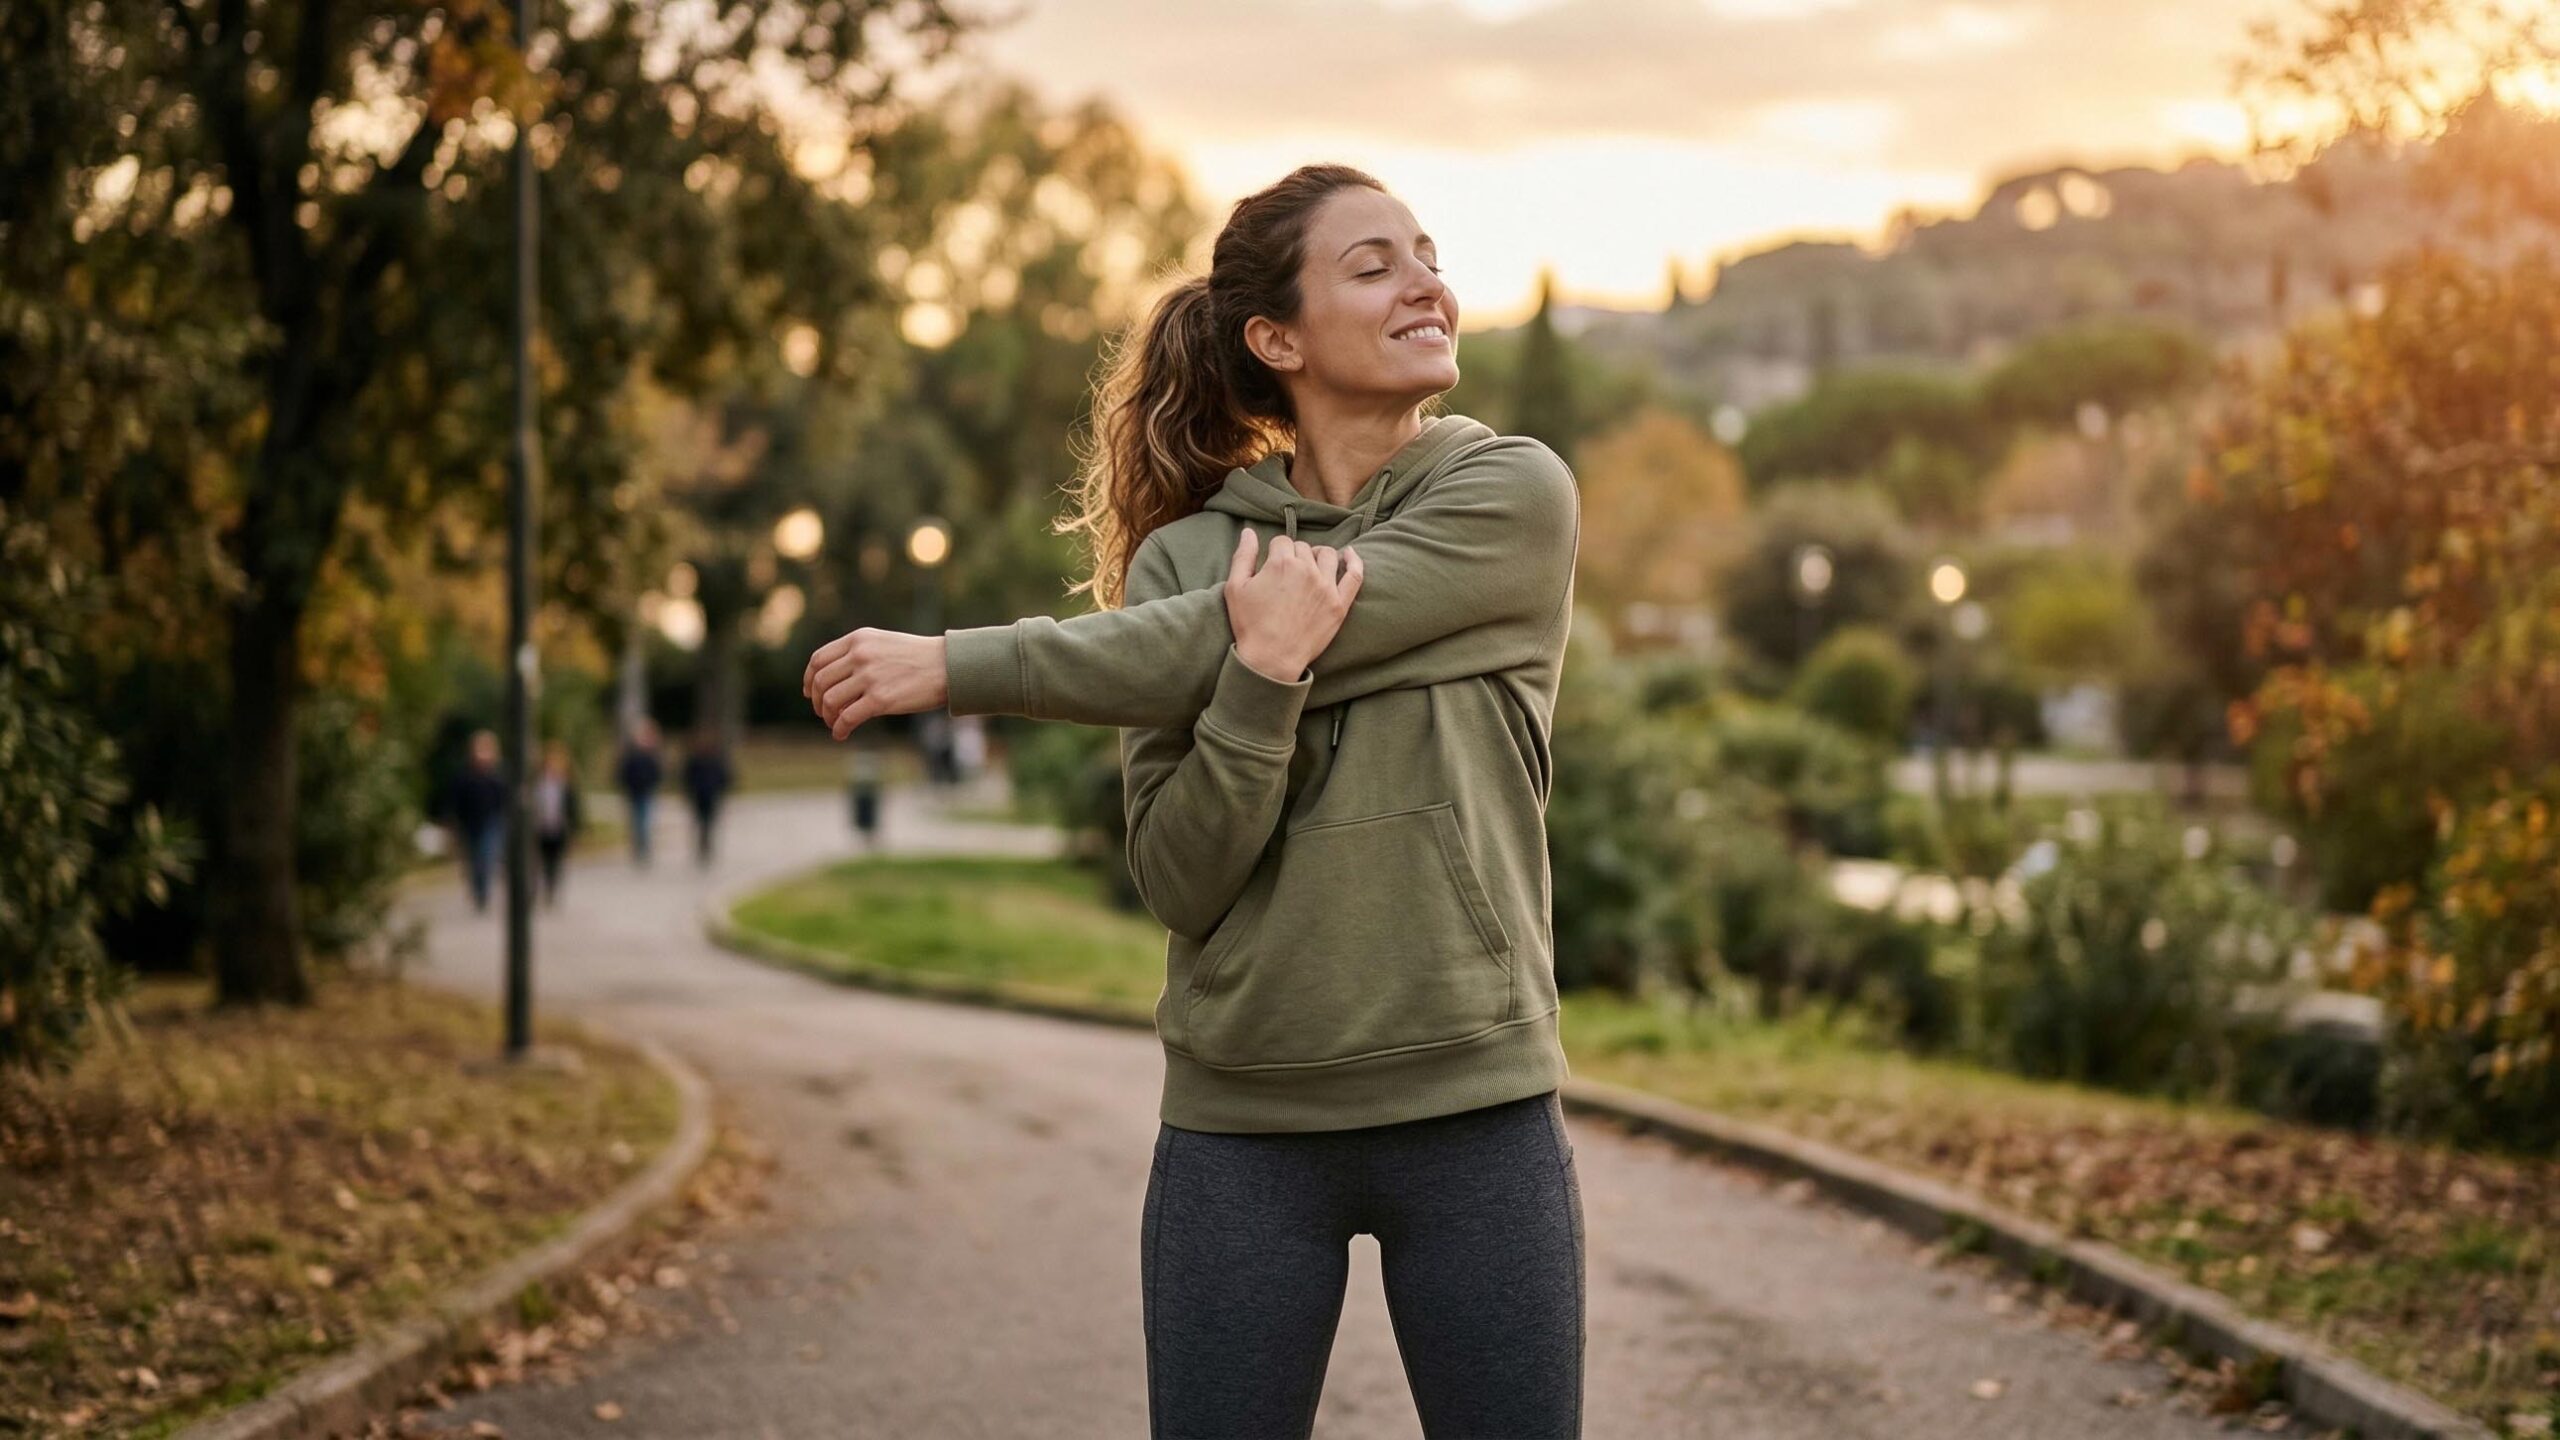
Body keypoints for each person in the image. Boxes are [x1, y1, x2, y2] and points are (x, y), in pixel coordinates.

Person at [801, 166, 1584, 1437]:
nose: (1426, 285)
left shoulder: (1510, 499)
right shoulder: (1186, 561)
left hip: (1475, 1110)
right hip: (1242, 1129)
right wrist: (1260, 678)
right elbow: (1180, 876)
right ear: (1275, 338)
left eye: (1428, 255)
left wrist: (961, 667)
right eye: (1374, 265)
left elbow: (1213, 634)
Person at [445, 729, 507, 915]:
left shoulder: (496, 777)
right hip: (470, 824)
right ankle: (477, 890)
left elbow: (504, 802)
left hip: (491, 823)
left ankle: (484, 894)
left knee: (486, 858)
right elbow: (454, 801)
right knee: (473, 861)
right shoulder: (465, 777)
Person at [532, 740, 583, 906]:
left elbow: (573, 809)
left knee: (555, 861)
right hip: (542, 828)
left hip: (559, 829)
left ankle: (552, 888)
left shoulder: (566, 786)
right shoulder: (539, 785)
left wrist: (575, 830)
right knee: (542, 861)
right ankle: (541, 887)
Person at [615, 717, 665, 867]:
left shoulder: (652, 754)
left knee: (645, 821)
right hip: (633, 791)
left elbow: (658, 773)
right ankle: (638, 846)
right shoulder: (631, 753)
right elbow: (623, 772)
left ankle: (644, 847)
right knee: (636, 821)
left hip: (647, 791)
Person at [680, 727, 733, 869]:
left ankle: (706, 841)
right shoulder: (695, 761)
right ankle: (702, 841)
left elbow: (724, 776)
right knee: (701, 820)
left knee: (708, 821)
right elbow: (687, 777)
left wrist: (723, 789)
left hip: (711, 795)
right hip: (699, 795)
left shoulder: (716, 760)